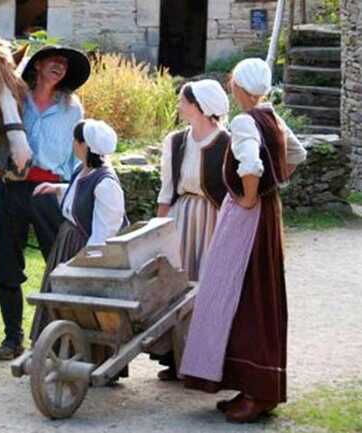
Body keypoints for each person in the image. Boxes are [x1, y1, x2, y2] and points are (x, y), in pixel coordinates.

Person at [179, 58, 307, 423]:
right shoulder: (273, 118)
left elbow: (251, 165)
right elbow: (297, 154)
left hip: (248, 216)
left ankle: (256, 392)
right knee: (256, 295)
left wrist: (250, 196)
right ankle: (250, 384)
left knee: (240, 295)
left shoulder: (245, 120)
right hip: (266, 215)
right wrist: (273, 187)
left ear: (238, 87)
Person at [0, 46, 91, 360]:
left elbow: (79, 155)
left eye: (64, 64)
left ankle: (60, 339)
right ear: (37, 67)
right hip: (9, 187)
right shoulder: (15, 97)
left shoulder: (72, 109)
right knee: (7, 266)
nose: (60, 67)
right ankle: (12, 340)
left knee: (60, 265)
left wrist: (73, 192)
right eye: (54, 61)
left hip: (51, 190)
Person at [154, 79, 231, 381]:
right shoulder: (175, 141)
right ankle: (175, 358)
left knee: (210, 289)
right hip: (181, 217)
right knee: (177, 288)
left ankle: (209, 363)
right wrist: (159, 229)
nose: (179, 105)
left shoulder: (226, 142)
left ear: (199, 106)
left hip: (215, 219)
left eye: (184, 100)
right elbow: (166, 189)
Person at [29, 119, 128, 342]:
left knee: (79, 306)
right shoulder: (81, 169)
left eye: (76, 139)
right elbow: (80, 197)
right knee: (58, 298)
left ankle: (81, 354)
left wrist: (86, 264)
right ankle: (54, 347)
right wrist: (57, 188)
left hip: (82, 249)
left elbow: (106, 230)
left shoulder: (106, 183)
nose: (73, 143)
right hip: (67, 242)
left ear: (85, 145)